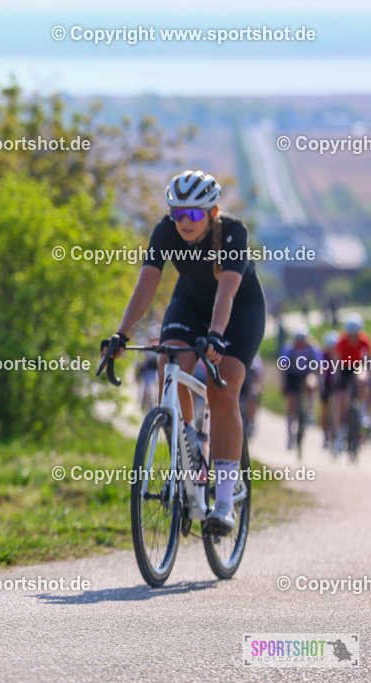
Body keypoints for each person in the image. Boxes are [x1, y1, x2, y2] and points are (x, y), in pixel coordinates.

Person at [104, 170, 266, 534]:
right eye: (177, 213)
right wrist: (121, 332)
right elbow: (146, 285)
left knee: (223, 390)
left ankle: (224, 502)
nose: (183, 222)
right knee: (169, 362)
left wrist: (217, 336)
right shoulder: (165, 232)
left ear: (213, 212)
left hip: (239, 311)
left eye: (193, 214)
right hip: (190, 304)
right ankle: (188, 441)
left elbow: (226, 293)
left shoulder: (233, 233)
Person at [334, 314, 370, 453]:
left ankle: (362, 410)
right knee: (341, 400)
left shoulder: (364, 341)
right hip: (343, 368)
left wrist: (365, 373)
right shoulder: (341, 341)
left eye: (356, 335)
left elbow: (366, 361)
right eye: (351, 335)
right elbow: (336, 361)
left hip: (357, 367)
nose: (353, 338)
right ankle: (338, 435)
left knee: (363, 379)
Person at [279, 326, 318, 449]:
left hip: (306, 374)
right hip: (292, 376)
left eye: (303, 340)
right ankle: (290, 435)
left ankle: (310, 411)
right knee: (291, 404)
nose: (301, 343)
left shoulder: (313, 349)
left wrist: (318, 382)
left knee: (311, 382)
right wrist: (284, 383)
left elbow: (318, 367)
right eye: (298, 340)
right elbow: (283, 368)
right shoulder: (289, 349)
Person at [319, 331, 341, 450]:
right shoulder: (323, 355)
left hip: (337, 384)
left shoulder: (339, 355)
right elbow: (321, 371)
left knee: (339, 406)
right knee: (325, 409)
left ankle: (339, 432)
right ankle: (325, 435)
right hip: (326, 384)